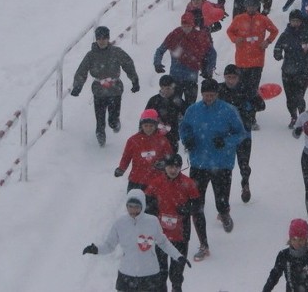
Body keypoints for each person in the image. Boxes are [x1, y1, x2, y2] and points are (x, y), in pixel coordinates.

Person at [178, 79, 247, 260]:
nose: (209, 98)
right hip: (199, 164)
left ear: (217, 94)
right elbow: (183, 128)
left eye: (212, 94)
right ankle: (203, 245)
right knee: (196, 205)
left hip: (222, 164)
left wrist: (225, 141)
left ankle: (224, 213)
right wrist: (187, 139)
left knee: (221, 200)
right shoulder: (193, 110)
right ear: (201, 94)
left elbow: (241, 133)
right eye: (206, 94)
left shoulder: (228, 110)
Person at [82, 189, 190, 292]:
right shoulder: (120, 223)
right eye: (130, 206)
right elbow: (109, 245)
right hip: (127, 273)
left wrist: (178, 256)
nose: (133, 210)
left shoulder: (152, 221)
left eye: (137, 207)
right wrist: (96, 249)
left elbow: (163, 242)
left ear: (142, 206)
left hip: (150, 274)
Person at [71, 26, 140, 147]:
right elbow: (82, 71)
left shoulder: (116, 52)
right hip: (99, 90)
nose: (102, 41)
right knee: (100, 118)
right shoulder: (91, 55)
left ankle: (115, 123)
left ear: (108, 38)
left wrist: (134, 80)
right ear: (96, 39)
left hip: (115, 90)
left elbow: (128, 64)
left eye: (104, 38)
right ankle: (100, 135)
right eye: (99, 38)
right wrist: (78, 86)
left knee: (112, 118)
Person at [144, 153, 200, 289]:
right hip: (160, 236)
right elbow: (146, 202)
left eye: (176, 167)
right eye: (170, 166)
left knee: (176, 275)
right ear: (165, 167)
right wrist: (153, 210)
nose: (173, 170)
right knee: (160, 274)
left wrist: (187, 209)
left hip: (181, 235)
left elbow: (197, 205)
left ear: (180, 167)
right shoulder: (156, 183)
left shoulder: (188, 183)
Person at [217, 64, 265, 204]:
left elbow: (261, 105)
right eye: (228, 77)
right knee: (225, 166)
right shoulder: (219, 90)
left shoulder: (247, 89)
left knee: (244, 163)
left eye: (233, 77)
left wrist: (249, 106)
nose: (231, 80)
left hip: (244, 132)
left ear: (238, 77)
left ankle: (245, 183)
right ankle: (224, 194)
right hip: (226, 134)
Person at [225, 0, 279, 116]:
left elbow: (274, 31)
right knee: (240, 89)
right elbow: (229, 31)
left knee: (253, 90)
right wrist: (235, 39)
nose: (251, 8)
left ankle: (251, 115)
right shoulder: (239, 19)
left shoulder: (263, 19)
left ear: (257, 6)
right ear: (245, 6)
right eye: (249, 6)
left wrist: (267, 41)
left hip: (257, 61)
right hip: (241, 61)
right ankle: (240, 112)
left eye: (254, 6)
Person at [153, 13, 216, 111]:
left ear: (193, 25)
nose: (186, 28)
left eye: (188, 26)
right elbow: (161, 49)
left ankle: (188, 124)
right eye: (184, 25)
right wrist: (157, 63)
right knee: (173, 107)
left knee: (190, 108)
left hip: (191, 80)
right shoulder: (175, 34)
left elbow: (212, 53)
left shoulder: (200, 36)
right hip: (175, 79)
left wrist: (208, 69)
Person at [262, 218, 308, 292]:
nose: (297, 243)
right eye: (294, 239)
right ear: (290, 239)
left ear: (306, 239)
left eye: (301, 240)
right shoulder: (284, 255)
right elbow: (273, 277)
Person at [273, 9, 308, 127]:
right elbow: (277, 47)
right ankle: (293, 116)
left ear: (301, 22)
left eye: (297, 21)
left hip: (302, 71)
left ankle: (302, 118)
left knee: (299, 96)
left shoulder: (307, 33)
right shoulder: (285, 34)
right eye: (293, 21)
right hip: (287, 70)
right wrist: (277, 54)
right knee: (289, 98)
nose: (295, 23)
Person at [114, 109, 173, 192]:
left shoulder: (163, 140)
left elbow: (170, 157)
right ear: (141, 125)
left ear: (156, 125)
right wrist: (121, 169)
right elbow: (126, 157)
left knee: (154, 204)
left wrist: (164, 163)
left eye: (151, 126)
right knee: (135, 203)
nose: (148, 129)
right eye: (146, 125)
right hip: (136, 180)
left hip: (156, 181)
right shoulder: (133, 140)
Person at [145, 75, 187, 152]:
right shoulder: (154, 101)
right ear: (160, 88)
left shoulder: (179, 101)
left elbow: (187, 118)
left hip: (172, 137)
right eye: (164, 88)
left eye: (169, 88)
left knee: (171, 160)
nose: (166, 91)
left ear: (173, 88)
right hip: (155, 137)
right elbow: (145, 119)